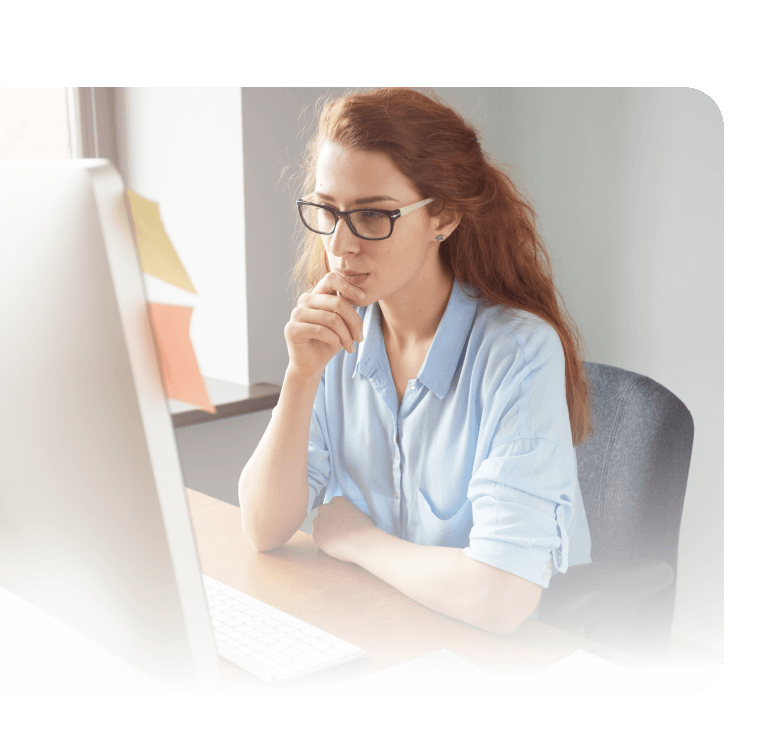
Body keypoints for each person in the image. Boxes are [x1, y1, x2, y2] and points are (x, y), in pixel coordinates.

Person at [239, 87, 593, 635]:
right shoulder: (335, 334)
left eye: (373, 216)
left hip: (485, 657)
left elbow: (499, 597)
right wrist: (300, 376)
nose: (340, 245)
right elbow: (263, 527)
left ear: (443, 217)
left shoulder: (518, 353)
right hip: (376, 626)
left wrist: (356, 539)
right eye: (328, 211)